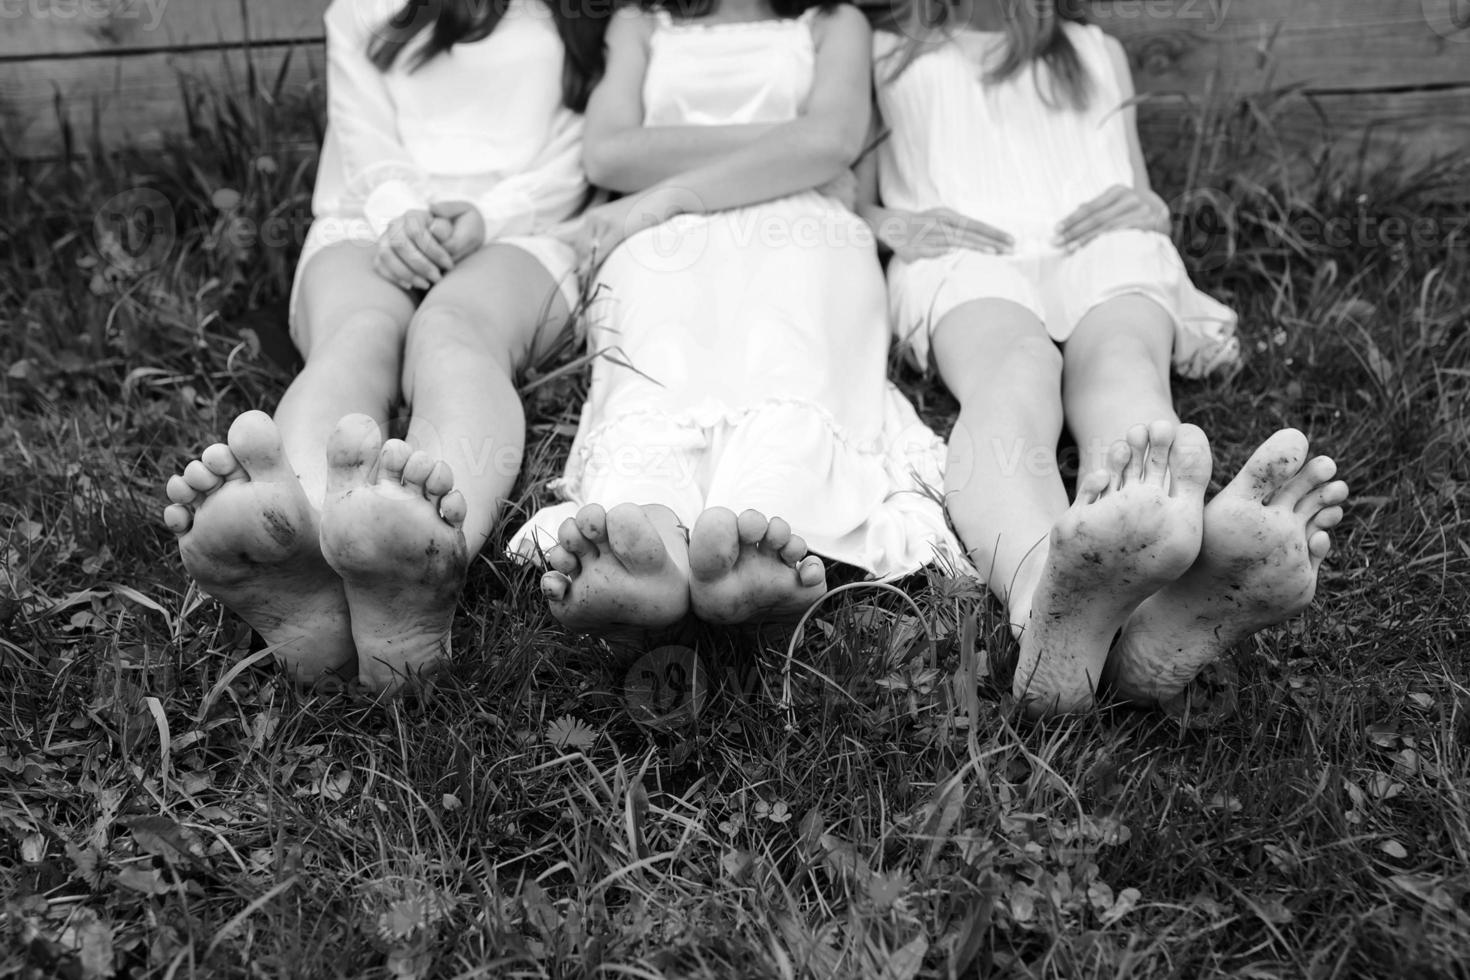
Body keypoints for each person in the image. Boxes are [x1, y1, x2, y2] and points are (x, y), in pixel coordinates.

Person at [860, 0, 1349, 716]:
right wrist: (891, 222)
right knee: (1015, 365)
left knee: (1122, 363)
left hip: (1096, 242)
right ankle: (1047, 598)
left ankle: (1146, 600)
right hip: (963, 251)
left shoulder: (1093, 47)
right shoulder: (881, 49)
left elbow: (1139, 186)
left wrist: (1150, 210)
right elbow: (853, 193)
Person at [162, 0, 608, 693]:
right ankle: (302, 536)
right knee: (356, 335)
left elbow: (581, 154)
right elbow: (365, 139)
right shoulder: (364, 7)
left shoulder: (590, 12)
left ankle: (423, 547)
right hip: (368, 221)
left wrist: (487, 218)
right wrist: (402, 220)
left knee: (457, 332)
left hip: (522, 228)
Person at [507, 0, 962, 633]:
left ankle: (765, 523)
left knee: (784, 335)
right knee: (662, 345)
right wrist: (791, 144)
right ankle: (650, 540)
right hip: (667, 230)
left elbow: (832, 140)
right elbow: (608, 154)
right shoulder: (640, 24)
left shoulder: (833, 22)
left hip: (789, 218)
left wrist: (669, 186)